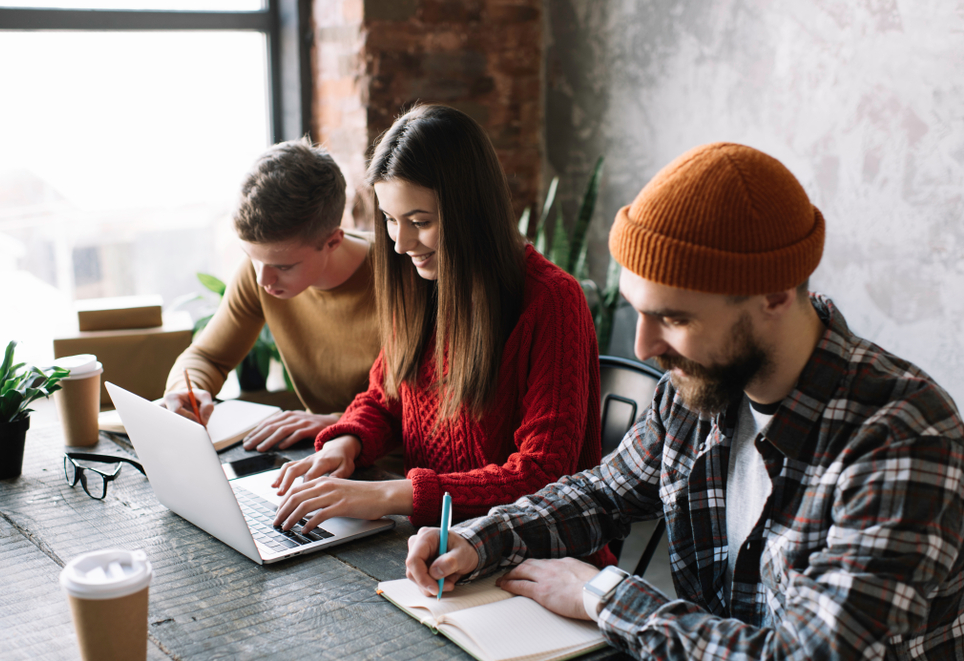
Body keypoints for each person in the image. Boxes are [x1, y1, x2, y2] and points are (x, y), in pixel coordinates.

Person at [404, 142, 964, 659]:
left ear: (774, 294)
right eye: (639, 310)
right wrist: (480, 539)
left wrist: (605, 595)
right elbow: (605, 494)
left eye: (674, 318)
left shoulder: (905, 439)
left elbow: (805, 656)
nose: (645, 348)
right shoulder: (698, 388)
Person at [271, 104, 609, 552]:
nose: (400, 243)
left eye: (420, 222)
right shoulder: (419, 282)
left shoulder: (552, 301)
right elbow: (385, 398)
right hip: (432, 544)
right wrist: (346, 444)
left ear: (470, 210)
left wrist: (388, 495)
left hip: (530, 558)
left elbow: (542, 477)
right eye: (390, 220)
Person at [164, 139, 380, 451]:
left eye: (283, 266)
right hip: (322, 455)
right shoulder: (260, 272)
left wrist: (339, 421)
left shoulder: (400, 274)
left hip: (402, 469)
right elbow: (208, 356)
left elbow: (441, 407)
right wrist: (188, 390)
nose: (263, 279)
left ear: (333, 242)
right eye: (253, 258)